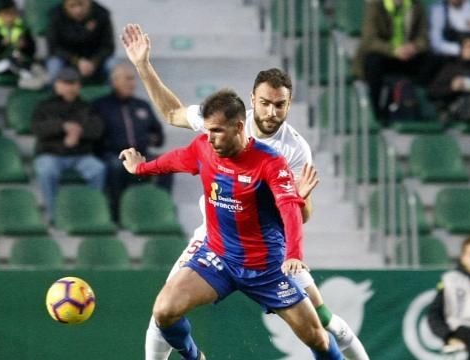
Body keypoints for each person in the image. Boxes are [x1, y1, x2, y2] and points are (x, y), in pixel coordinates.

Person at [121, 24, 369, 360]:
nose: (272, 113)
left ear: (289, 104)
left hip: (267, 250)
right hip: (215, 239)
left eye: (280, 106)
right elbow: (171, 114)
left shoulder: (291, 151)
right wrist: (143, 66)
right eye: (266, 104)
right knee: (163, 312)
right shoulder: (219, 125)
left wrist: (295, 206)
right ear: (252, 102)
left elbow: (298, 214)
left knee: (323, 326)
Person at [92, 63, 172, 221]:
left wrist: (153, 139)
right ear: (114, 81)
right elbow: (95, 135)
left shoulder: (142, 105)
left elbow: (158, 133)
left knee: (167, 165)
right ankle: (117, 215)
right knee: (116, 168)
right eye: (128, 79)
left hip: (141, 154)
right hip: (115, 155)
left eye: (133, 79)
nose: (132, 83)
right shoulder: (101, 105)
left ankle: (162, 210)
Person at [31, 67, 105, 220]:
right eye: (65, 83)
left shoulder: (86, 107)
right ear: (57, 85)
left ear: (79, 86)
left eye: (73, 83)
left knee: (98, 169)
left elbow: (97, 129)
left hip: (80, 154)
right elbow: (38, 129)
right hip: (51, 153)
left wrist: (78, 133)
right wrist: (62, 127)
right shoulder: (44, 106)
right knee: (46, 171)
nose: (69, 87)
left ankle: (93, 211)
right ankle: (54, 215)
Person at [353, 0, 431, 120]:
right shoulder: (375, 5)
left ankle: (420, 106)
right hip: (385, 55)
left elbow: (424, 38)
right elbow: (370, 40)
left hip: (408, 56)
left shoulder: (415, 5)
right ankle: (376, 111)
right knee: (373, 61)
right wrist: (394, 51)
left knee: (432, 60)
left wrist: (414, 47)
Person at [0, 0, 46, 90]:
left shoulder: (23, 28)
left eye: (13, 13)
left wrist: (25, 46)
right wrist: (1, 44)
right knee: (9, 62)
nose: (10, 17)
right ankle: (26, 79)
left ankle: (29, 78)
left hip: (20, 61)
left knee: (35, 67)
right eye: (6, 14)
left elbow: (32, 51)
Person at [46, 0, 115, 84]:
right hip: (68, 60)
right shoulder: (56, 16)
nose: (78, 10)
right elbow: (54, 48)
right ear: (65, 5)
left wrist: (94, 62)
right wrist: (77, 61)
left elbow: (108, 46)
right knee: (54, 65)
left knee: (114, 65)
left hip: (95, 60)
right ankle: (54, 94)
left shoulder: (102, 14)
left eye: (81, 4)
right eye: (72, 6)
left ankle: (111, 95)